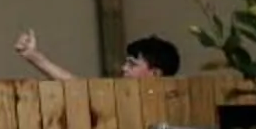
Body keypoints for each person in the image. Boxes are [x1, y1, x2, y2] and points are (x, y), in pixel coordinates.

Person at [14, 28, 181, 81]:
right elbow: (79, 89)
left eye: (132, 64)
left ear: (156, 73)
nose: (124, 68)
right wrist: (34, 57)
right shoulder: (118, 101)